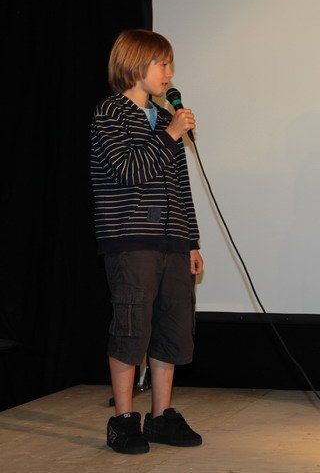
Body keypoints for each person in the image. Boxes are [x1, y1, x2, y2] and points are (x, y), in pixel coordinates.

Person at [90, 29, 203, 454]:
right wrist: (170, 134)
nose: (169, 74)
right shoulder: (111, 112)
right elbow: (129, 171)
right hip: (131, 239)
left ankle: (161, 416)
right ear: (136, 64)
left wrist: (191, 241)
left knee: (171, 328)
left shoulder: (161, 116)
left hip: (172, 241)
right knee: (131, 328)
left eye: (170, 64)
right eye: (163, 64)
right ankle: (123, 420)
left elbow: (181, 187)